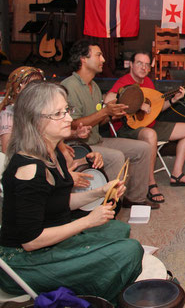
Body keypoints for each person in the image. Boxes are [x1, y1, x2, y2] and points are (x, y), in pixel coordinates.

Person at [0, 82, 143, 303]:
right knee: (130, 250)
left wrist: (100, 192)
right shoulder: (29, 168)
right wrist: (87, 222)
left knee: (118, 229)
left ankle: (97, 287)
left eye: (67, 110)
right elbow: (31, 241)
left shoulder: (52, 150)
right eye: (58, 113)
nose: (68, 118)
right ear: (36, 121)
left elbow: (59, 202)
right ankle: (97, 300)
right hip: (24, 261)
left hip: (48, 242)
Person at [61, 40, 159, 209]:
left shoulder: (95, 87)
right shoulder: (69, 86)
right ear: (83, 59)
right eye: (99, 55)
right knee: (116, 157)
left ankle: (135, 198)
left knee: (143, 148)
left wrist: (113, 113)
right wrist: (105, 112)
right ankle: (109, 204)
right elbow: (73, 125)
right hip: (80, 145)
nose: (103, 60)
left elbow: (101, 119)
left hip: (97, 139)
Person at [105, 51, 185, 204]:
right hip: (127, 129)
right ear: (131, 65)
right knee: (150, 135)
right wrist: (135, 104)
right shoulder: (123, 82)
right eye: (140, 63)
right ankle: (150, 183)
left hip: (149, 125)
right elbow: (108, 101)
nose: (143, 67)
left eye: (147, 64)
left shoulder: (148, 82)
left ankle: (177, 174)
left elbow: (154, 109)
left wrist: (174, 100)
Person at [0, 67, 97, 188]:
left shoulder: (43, 111)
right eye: (32, 85)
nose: (37, 90)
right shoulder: (10, 113)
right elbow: (8, 151)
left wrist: (74, 135)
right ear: (18, 89)